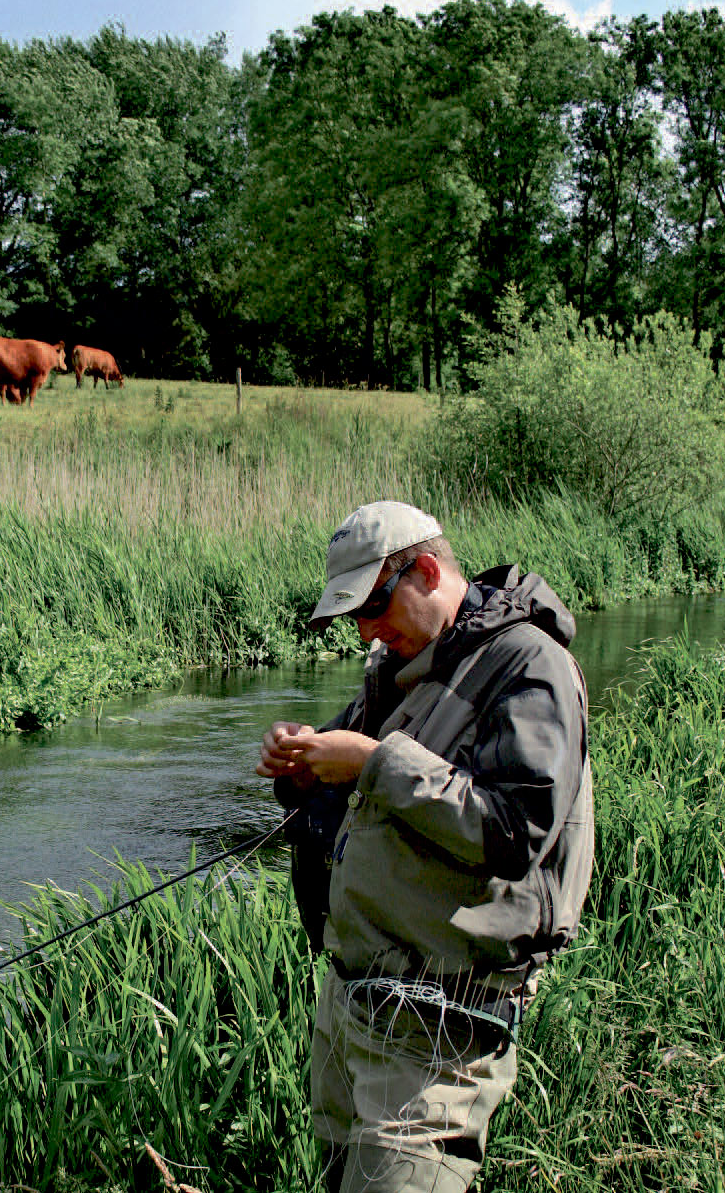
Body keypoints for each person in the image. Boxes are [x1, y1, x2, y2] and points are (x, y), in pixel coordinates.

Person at [257, 501, 593, 1193]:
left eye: (373, 606)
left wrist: (372, 761)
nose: (364, 631)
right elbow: (362, 788)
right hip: (357, 1007)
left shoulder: (530, 665)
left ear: (429, 572)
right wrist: (304, 769)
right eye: (352, 615)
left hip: (440, 1024)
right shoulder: (402, 663)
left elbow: (517, 829)